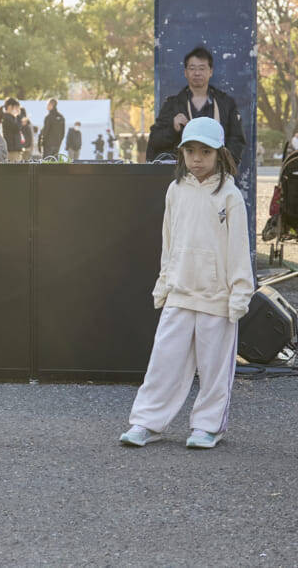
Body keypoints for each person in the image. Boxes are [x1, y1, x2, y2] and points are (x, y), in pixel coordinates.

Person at [120, 116, 253, 449]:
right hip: (179, 293)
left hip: (217, 298)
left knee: (214, 368)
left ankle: (208, 426)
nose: (196, 159)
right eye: (190, 151)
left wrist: (240, 293)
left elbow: (238, 248)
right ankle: (147, 422)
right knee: (164, 362)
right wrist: (164, 282)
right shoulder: (175, 190)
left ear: (219, 154)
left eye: (204, 152)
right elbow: (170, 240)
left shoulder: (230, 196)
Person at [146, 46, 246, 164]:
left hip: (217, 172)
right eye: (192, 68)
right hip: (182, 173)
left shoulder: (225, 103)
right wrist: (173, 129)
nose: (197, 73)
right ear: (185, 72)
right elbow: (154, 142)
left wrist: (224, 165)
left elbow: (237, 140)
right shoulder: (172, 105)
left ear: (210, 72)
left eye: (202, 68)